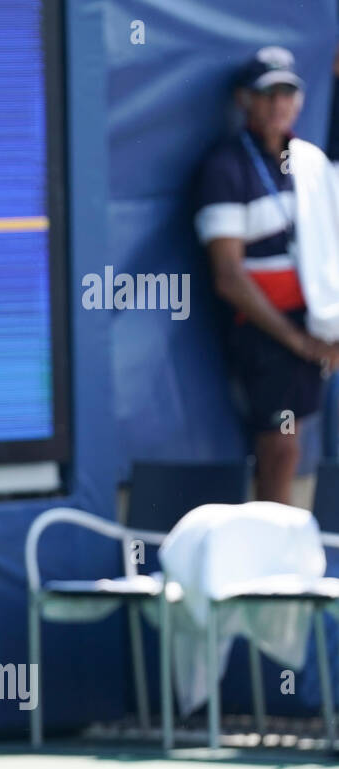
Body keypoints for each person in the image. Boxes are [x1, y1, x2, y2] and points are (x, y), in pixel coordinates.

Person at [195, 46, 339, 504]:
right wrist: (297, 343)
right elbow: (228, 277)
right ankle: (268, 565)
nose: (279, 104)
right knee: (279, 443)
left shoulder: (311, 165)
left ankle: (279, 554)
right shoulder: (225, 167)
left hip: (311, 330)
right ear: (244, 100)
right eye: (268, 93)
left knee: (290, 446)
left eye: (288, 93)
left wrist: (326, 330)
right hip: (264, 338)